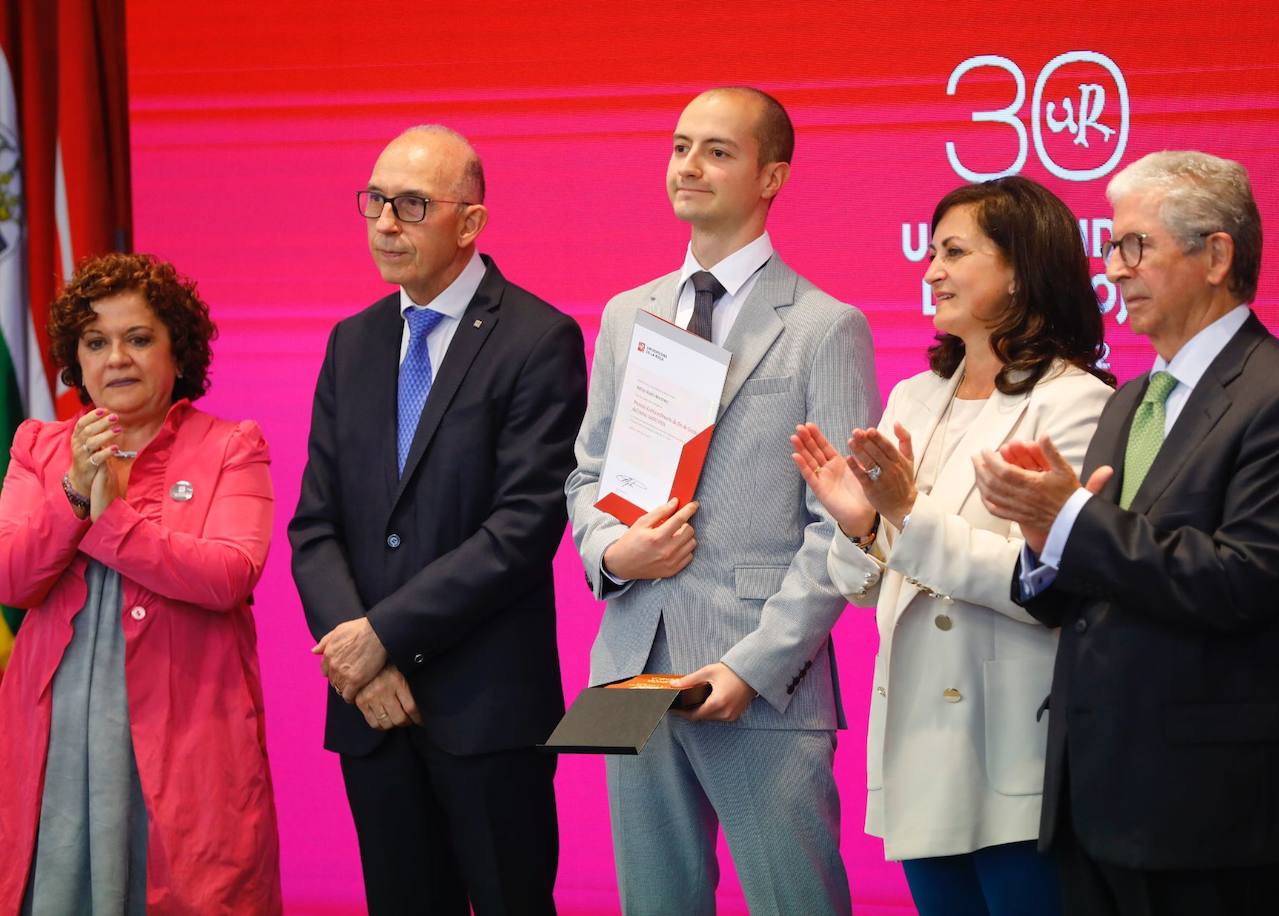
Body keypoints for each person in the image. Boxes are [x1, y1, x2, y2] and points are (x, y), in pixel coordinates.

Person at [973, 151, 1279, 915]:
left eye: (1134, 246)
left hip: (1218, 811)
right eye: (1112, 248)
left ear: (1216, 255)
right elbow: (1084, 590)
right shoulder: (1130, 401)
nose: (1113, 270)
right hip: (1096, 802)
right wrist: (1041, 539)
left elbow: (1238, 581)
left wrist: (1071, 522)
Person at [565, 86, 878, 915]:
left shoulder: (824, 325)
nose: (688, 166)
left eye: (717, 151)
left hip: (759, 670)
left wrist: (755, 664)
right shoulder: (627, 314)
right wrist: (609, 552)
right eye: (679, 147)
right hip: (632, 661)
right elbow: (586, 474)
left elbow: (844, 527)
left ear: (772, 176)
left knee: (796, 902)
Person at [791, 176, 1114, 915]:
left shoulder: (1076, 402)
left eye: (955, 252)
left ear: (1021, 269)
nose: (931, 270)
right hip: (921, 746)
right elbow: (870, 584)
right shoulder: (913, 396)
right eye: (931, 252)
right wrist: (860, 525)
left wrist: (905, 510)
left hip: (1014, 747)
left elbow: (1046, 586)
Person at [289, 125, 585, 914]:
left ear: (471, 221)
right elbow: (314, 526)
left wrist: (381, 636)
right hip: (370, 713)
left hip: (485, 712)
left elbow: (522, 529)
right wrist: (360, 660)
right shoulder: (352, 342)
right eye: (375, 201)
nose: (385, 222)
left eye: (411, 204)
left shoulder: (537, 338)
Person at [0, 253, 281, 913]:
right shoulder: (37, 446)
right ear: (75, 360)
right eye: (96, 342)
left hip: (188, 738)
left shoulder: (231, 446)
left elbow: (229, 573)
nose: (116, 358)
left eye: (138, 338)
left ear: (177, 353)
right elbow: (11, 577)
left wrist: (112, 522)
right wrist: (73, 491)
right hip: (56, 742)